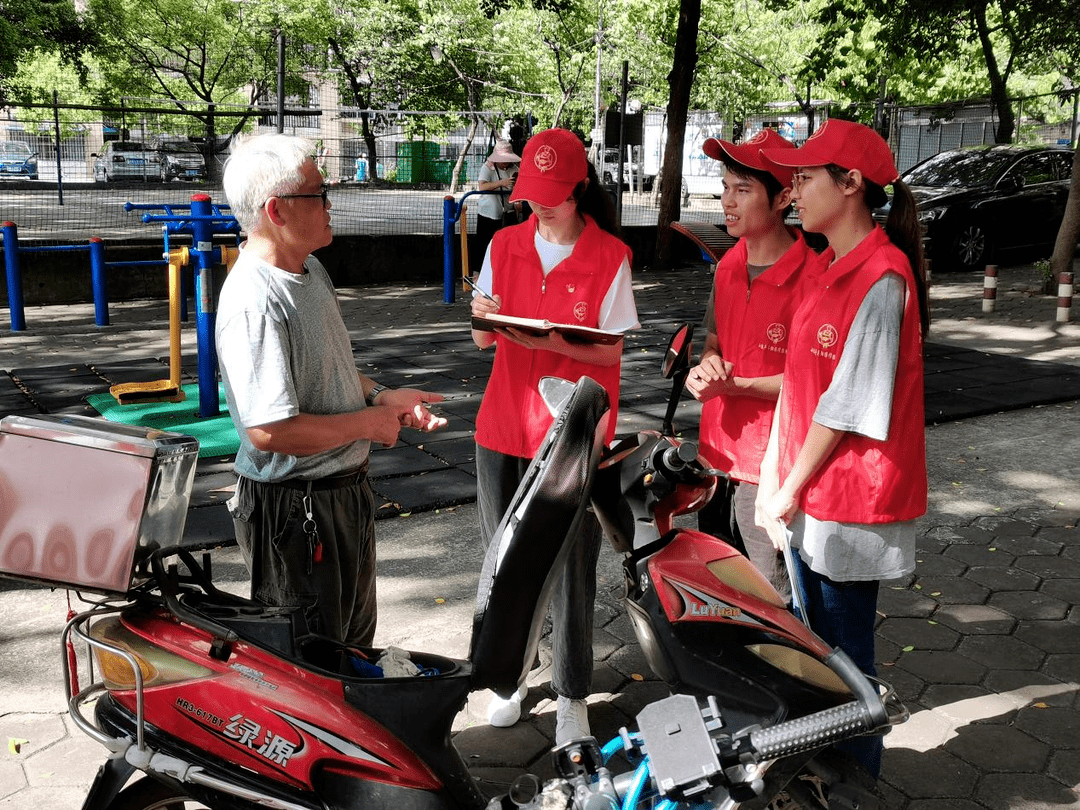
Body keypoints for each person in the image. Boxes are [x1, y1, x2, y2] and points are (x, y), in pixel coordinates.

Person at [216, 133, 448, 648]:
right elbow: (268, 431)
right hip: (295, 512)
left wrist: (380, 397)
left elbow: (328, 370)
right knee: (312, 659)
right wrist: (367, 426)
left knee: (351, 643)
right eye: (318, 194)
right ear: (276, 210)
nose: (329, 204)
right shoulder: (254, 301)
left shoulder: (308, 269)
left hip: (339, 495)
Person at [755, 119, 930, 778]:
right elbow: (801, 388)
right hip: (811, 496)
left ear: (851, 183)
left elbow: (848, 408)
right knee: (820, 649)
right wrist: (780, 480)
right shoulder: (828, 267)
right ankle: (825, 773)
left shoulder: (883, 277)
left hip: (847, 501)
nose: (792, 191)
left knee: (848, 658)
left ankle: (853, 783)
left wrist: (787, 487)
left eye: (803, 177)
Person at [469, 127, 639, 745]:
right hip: (503, 426)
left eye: (553, 194)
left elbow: (614, 348)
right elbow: (482, 339)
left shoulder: (610, 257)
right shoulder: (505, 245)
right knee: (503, 557)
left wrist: (554, 341)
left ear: (580, 187)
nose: (539, 205)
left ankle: (571, 694)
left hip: (572, 434)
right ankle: (509, 678)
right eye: (531, 193)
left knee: (569, 566)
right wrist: (487, 320)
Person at [685, 129, 812, 604]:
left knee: (773, 600)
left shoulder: (812, 276)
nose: (726, 201)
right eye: (724, 187)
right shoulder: (727, 265)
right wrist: (707, 369)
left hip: (770, 469)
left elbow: (810, 383)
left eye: (742, 189)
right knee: (720, 592)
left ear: (783, 198)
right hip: (715, 459)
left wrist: (733, 385)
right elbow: (713, 344)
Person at [473, 140, 522, 268]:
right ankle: (479, 273)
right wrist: (501, 183)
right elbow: (482, 187)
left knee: (507, 245)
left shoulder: (515, 169)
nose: (505, 162)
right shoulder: (488, 167)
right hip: (488, 214)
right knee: (484, 244)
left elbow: (519, 188)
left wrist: (517, 200)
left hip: (508, 213)